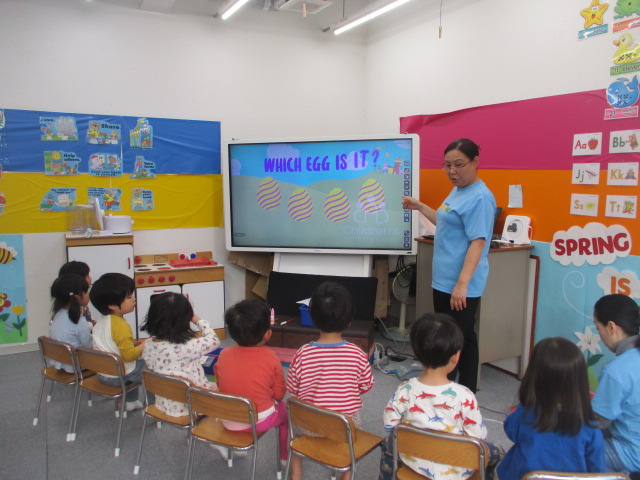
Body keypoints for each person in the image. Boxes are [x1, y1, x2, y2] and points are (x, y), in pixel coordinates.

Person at [401, 138, 496, 393]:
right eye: (447, 165)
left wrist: (461, 285)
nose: (452, 171)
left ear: (475, 162)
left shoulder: (480, 198)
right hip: (443, 279)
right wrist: (419, 206)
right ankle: (454, 389)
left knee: (457, 340)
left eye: (459, 165)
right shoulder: (458, 190)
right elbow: (445, 221)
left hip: (460, 284)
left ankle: (457, 394)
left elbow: (478, 243)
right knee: (454, 335)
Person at [379, 313, 503, 480]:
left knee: (388, 443)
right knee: (497, 451)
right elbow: (478, 437)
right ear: (456, 357)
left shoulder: (404, 390)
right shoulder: (465, 396)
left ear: (415, 351)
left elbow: (389, 426)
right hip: (456, 469)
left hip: (414, 461)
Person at [286, 281, 374, 480]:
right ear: (349, 320)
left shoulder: (303, 353)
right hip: (344, 426)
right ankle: (345, 474)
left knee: (293, 428)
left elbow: (293, 389)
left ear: (313, 317)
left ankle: (296, 474)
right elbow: (366, 385)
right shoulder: (357, 354)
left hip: (308, 424)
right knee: (353, 431)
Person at [497, 337, 605, 479]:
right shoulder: (590, 426)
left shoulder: (525, 413)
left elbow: (511, 432)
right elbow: (597, 469)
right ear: (579, 381)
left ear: (534, 376)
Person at [214, 299, 287, 463]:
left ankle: (230, 444)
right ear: (267, 334)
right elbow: (279, 395)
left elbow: (220, 385)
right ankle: (283, 457)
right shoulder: (271, 357)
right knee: (285, 414)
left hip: (226, 418)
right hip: (257, 421)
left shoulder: (224, 354)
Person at [140, 292, 220, 417]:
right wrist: (198, 320)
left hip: (163, 403)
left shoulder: (147, 345)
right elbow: (214, 340)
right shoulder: (187, 346)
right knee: (226, 386)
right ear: (184, 320)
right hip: (194, 406)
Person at [592, 294, 640, 474]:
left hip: (632, 454)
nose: (599, 335)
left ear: (611, 327)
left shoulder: (616, 371)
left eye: (598, 328)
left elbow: (597, 422)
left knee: (566, 447)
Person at [89, 272, 147, 411]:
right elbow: (129, 356)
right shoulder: (121, 326)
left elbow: (114, 344)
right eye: (129, 297)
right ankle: (155, 407)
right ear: (112, 305)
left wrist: (135, 344)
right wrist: (145, 344)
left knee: (136, 364)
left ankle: (131, 402)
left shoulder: (102, 321)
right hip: (119, 377)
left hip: (102, 373)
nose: (134, 299)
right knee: (152, 366)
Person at [48, 274, 93, 372]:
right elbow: (89, 346)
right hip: (75, 366)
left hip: (59, 362)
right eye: (86, 291)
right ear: (77, 296)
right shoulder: (78, 320)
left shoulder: (58, 314)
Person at [58, 261, 95, 326]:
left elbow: (90, 321)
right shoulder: (71, 309)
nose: (91, 279)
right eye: (87, 276)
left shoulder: (83, 307)